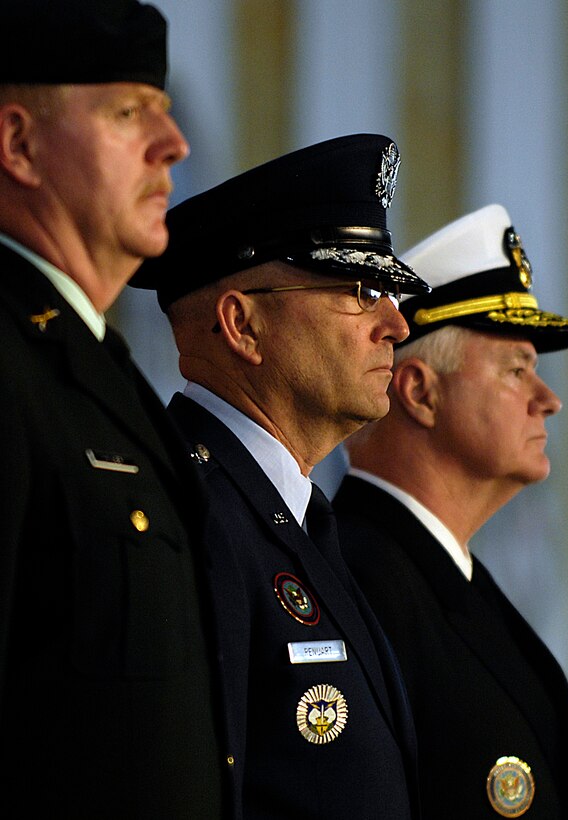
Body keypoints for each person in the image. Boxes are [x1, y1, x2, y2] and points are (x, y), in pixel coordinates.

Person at [132, 133, 430, 819]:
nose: (395, 322)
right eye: (361, 290)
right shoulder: (189, 513)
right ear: (242, 324)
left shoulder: (298, 515)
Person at [0, 1, 223, 816]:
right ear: (18, 144)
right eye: (129, 112)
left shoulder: (100, 369)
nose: (174, 144)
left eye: (162, 110)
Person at [333, 204, 568, 820]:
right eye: (517, 369)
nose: (548, 400)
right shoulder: (359, 585)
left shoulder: (442, 580)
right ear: (421, 391)